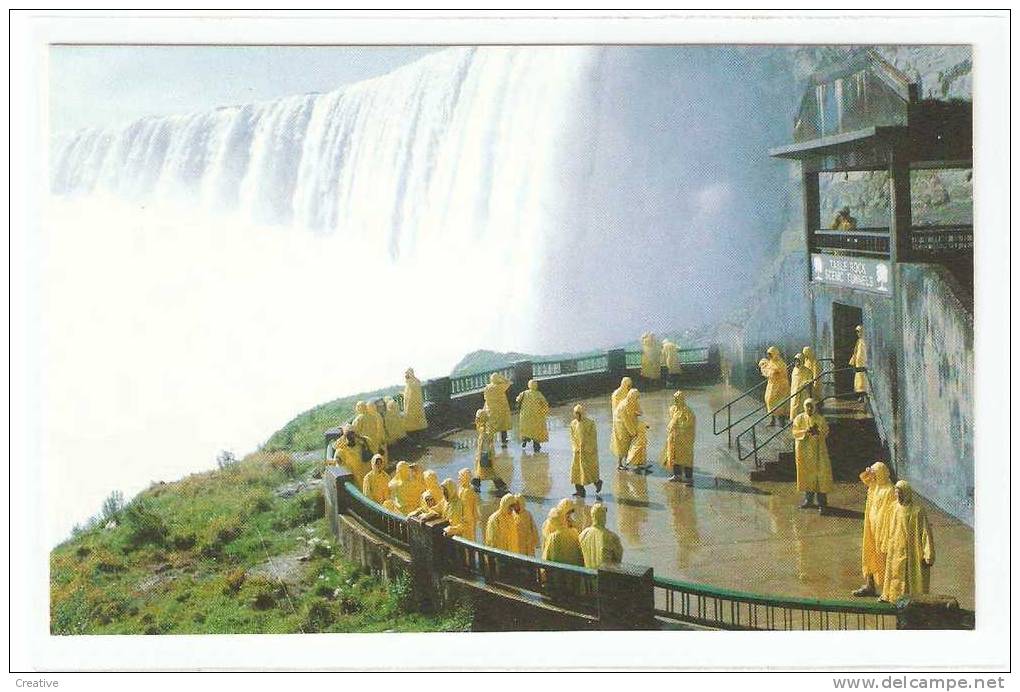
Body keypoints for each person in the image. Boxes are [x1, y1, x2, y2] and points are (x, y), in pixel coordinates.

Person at [880, 481, 935, 603]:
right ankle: (894, 597)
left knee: (911, 578)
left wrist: (928, 555)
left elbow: (925, 533)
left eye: (900, 494)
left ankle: (913, 602)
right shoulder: (893, 508)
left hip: (912, 552)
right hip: (896, 550)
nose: (898, 496)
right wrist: (885, 544)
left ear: (906, 494)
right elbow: (888, 528)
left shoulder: (917, 511)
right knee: (895, 575)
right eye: (896, 493)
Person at [854, 462, 896, 597]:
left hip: (883, 531)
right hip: (871, 528)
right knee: (869, 556)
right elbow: (864, 478)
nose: (871, 476)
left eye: (874, 473)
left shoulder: (889, 490)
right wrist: (869, 471)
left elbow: (891, 513)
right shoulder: (874, 486)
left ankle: (887, 591)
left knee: (884, 560)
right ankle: (869, 585)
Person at [791, 399, 834, 513]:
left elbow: (826, 431)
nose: (809, 409)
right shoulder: (799, 418)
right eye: (807, 406)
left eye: (811, 407)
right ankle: (808, 500)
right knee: (807, 477)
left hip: (819, 453)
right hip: (805, 454)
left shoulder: (820, 419)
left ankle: (822, 503)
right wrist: (805, 431)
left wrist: (818, 432)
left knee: (821, 477)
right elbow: (795, 432)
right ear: (804, 407)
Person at [472, 407, 508, 494]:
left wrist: (483, 456)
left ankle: (476, 486)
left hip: (484, 455)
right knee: (483, 472)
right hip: (486, 455)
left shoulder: (484, 431)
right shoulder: (485, 428)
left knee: (485, 472)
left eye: (477, 418)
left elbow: (484, 445)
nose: (476, 420)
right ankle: (500, 486)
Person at [663, 390, 696, 484]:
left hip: (684, 440)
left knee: (686, 458)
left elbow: (689, 423)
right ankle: (677, 475)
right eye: (675, 399)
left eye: (677, 399)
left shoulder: (687, 411)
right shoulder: (674, 409)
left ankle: (689, 477)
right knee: (675, 457)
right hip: (674, 439)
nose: (675, 401)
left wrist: (680, 429)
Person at [569, 404, 602, 498]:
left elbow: (593, 437)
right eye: (575, 413)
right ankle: (580, 491)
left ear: (582, 413)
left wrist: (586, 447)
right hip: (577, 452)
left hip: (588, 451)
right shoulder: (573, 424)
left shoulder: (590, 423)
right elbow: (572, 437)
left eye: (578, 413)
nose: (576, 415)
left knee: (589, 470)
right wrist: (575, 448)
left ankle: (598, 482)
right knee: (576, 471)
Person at [579, 503, 624, 569]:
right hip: (606, 576)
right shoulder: (612, 537)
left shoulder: (582, 535)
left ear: (592, 516)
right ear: (604, 517)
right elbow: (618, 560)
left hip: (589, 576)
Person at [759, 346, 790, 427]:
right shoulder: (770, 363)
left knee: (780, 404)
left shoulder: (781, 363)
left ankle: (781, 422)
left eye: (771, 354)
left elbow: (782, 373)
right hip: (772, 385)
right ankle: (772, 420)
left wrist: (775, 372)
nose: (769, 356)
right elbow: (768, 372)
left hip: (780, 387)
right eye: (768, 354)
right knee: (769, 400)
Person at [515, 379, 549, 453]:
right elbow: (545, 403)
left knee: (526, 429)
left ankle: (525, 440)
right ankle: (536, 445)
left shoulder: (524, 393)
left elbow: (517, 400)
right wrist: (544, 411)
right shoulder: (538, 394)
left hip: (525, 416)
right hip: (536, 416)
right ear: (536, 385)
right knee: (535, 431)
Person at [612, 389, 642, 470]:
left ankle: (627, 460)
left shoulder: (633, 401)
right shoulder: (624, 405)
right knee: (622, 443)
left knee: (629, 443)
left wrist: (636, 412)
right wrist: (632, 431)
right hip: (620, 424)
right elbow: (626, 421)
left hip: (628, 423)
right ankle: (619, 464)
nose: (637, 400)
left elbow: (640, 411)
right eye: (636, 398)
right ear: (631, 397)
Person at [483, 373, 512, 448]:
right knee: (503, 426)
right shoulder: (500, 386)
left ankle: (489, 442)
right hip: (501, 409)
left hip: (491, 409)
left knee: (491, 426)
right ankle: (504, 442)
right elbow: (508, 382)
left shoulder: (487, 388)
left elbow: (485, 398)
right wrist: (502, 377)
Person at [402, 368, 428, 433]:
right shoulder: (408, 384)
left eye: (407, 374)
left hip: (415, 405)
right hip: (410, 406)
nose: (406, 376)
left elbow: (414, 392)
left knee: (416, 421)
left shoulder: (414, 382)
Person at [457, 468, 480, 541]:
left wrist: (475, 518)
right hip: (462, 517)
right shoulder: (461, 488)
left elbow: (473, 505)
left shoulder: (469, 490)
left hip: (468, 519)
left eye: (460, 476)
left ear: (465, 477)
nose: (458, 478)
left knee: (471, 538)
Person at [789, 353, 813, 422]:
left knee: (802, 407)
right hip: (794, 392)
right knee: (794, 406)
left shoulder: (808, 371)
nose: (797, 363)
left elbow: (810, 380)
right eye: (796, 361)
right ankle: (794, 420)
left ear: (802, 361)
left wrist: (804, 384)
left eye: (798, 361)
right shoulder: (794, 370)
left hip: (803, 392)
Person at [849, 325, 869, 400]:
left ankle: (862, 396)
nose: (858, 333)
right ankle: (861, 396)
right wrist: (853, 362)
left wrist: (861, 364)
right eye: (857, 332)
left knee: (862, 381)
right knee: (859, 381)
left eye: (859, 331)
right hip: (858, 365)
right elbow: (856, 353)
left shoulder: (863, 341)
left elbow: (862, 354)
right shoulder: (859, 341)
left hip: (861, 365)